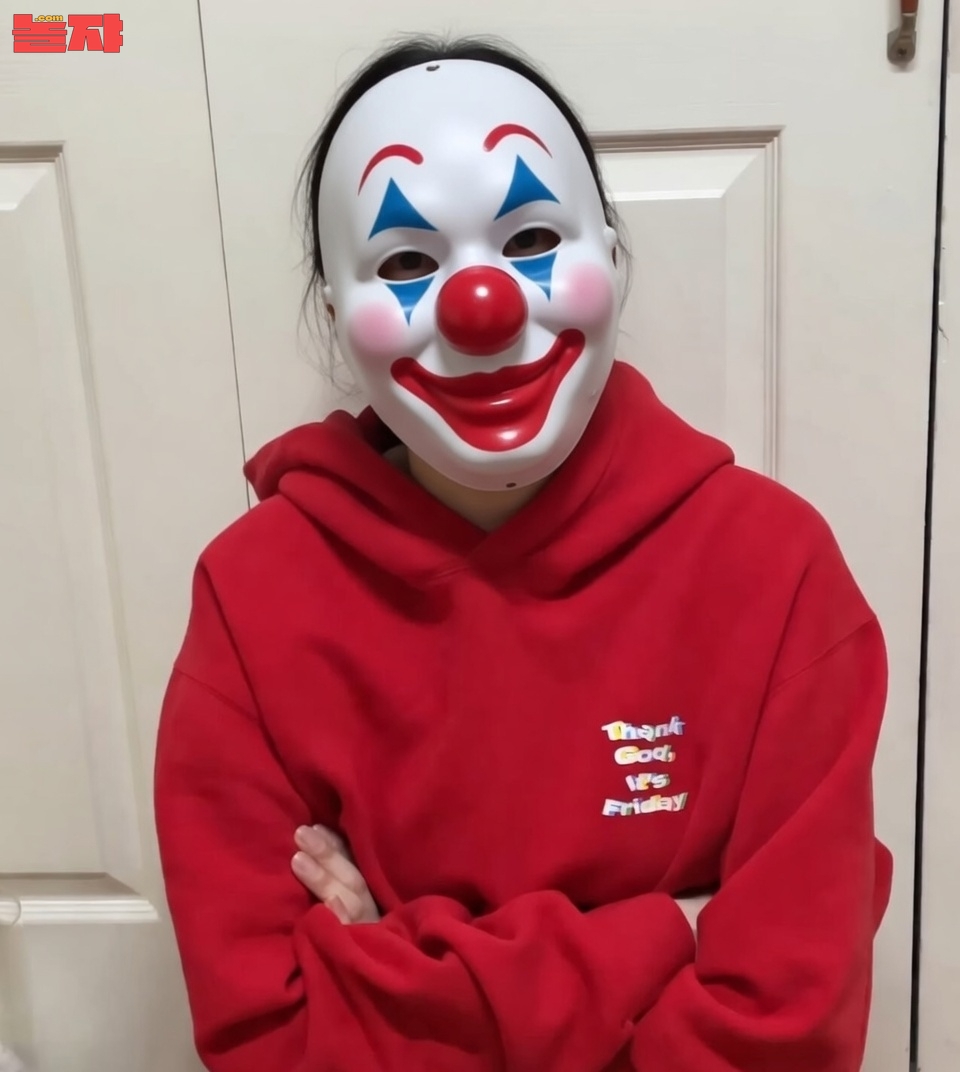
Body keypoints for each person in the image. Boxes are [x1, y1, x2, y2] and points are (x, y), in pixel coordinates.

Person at [153, 33, 893, 1072]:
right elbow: (268, 1036)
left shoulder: (778, 572)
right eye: (406, 262)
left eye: (533, 238)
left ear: (611, 259)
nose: (482, 307)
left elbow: (790, 1031)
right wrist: (670, 932)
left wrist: (393, 965)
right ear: (334, 311)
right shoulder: (251, 597)